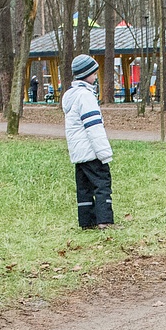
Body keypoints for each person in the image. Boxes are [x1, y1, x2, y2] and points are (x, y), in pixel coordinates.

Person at [62, 54, 114, 230]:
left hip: (78, 152)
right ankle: (104, 221)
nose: (95, 76)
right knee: (102, 184)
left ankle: (86, 222)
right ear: (88, 73)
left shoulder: (72, 96)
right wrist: (104, 153)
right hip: (91, 151)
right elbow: (94, 127)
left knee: (83, 188)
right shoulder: (86, 96)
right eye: (94, 72)